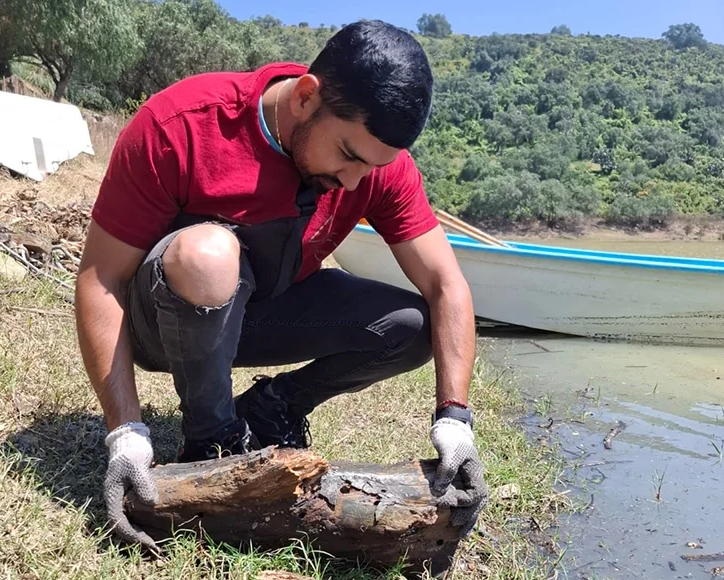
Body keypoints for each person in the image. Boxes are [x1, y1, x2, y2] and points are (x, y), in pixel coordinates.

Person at [75, 19, 488, 553]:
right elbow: (100, 279)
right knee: (208, 255)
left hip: (262, 314)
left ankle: (274, 408)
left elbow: (447, 284)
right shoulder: (183, 123)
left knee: (414, 325)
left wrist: (455, 423)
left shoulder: (374, 166)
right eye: (348, 156)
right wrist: (125, 433)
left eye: (374, 166)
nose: (356, 181)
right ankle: (213, 441)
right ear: (306, 98)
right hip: (167, 323)